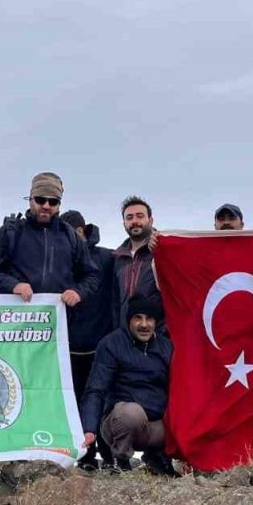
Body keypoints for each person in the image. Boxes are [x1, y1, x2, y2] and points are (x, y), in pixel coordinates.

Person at [0, 171, 99, 310]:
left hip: (59, 322)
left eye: (53, 201)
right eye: (40, 199)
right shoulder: (11, 231)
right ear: (30, 199)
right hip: (13, 321)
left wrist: (78, 292)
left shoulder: (71, 236)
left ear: (59, 205)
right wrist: (13, 285)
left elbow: (92, 275)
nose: (46, 205)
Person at [80, 297, 175, 475]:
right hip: (121, 422)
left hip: (156, 425)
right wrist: (89, 429)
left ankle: (158, 457)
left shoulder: (166, 347)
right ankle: (120, 458)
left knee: (183, 418)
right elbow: (95, 390)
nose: (144, 324)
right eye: (138, 318)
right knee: (132, 414)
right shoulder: (111, 344)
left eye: (150, 319)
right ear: (128, 320)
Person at [60, 209, 115, 469]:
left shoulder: (106, 258)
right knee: (71, 400)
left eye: (75, 233)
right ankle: (84, 455)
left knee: (100, 399)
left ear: (83, 231)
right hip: (64, 346)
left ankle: (110, 454)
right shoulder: (57, 259)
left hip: (99, 343)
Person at [111, 196, 161, 324]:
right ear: (124, 224)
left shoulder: (163, 251)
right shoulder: (118, 257)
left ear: (150, 220)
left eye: (140, 216)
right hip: (125, 334)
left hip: (157, 334)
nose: (135, 221)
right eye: (129, 217)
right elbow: (115, 300)